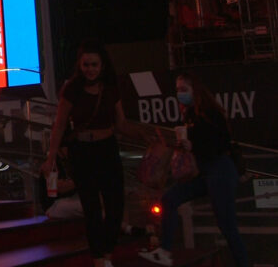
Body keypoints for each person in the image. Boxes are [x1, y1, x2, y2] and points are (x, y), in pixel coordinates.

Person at [42, 40, 136, 267]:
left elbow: (121, 123)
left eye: (94, 64)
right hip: (82, 152)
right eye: (86, 65)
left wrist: (145, 136)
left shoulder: (111, 88)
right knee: (91, 207)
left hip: (107, 148)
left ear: (102, 65)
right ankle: (98, 259)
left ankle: (107, 253)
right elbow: (60, 124)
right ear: (80, 65)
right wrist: (51, 157)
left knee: (115, 205)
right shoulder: (72, 89)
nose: (90, 69)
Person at [139, 72, 248, 267]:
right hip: (205, 172)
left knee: (227, 225)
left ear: (194, 90)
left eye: (184, 89)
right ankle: (164, 251)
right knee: (169, 199)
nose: (180, 93)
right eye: (178, 90)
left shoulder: (209, 113)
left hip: (220, 170)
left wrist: (193, 146)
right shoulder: (189, 114)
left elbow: (221, 143)